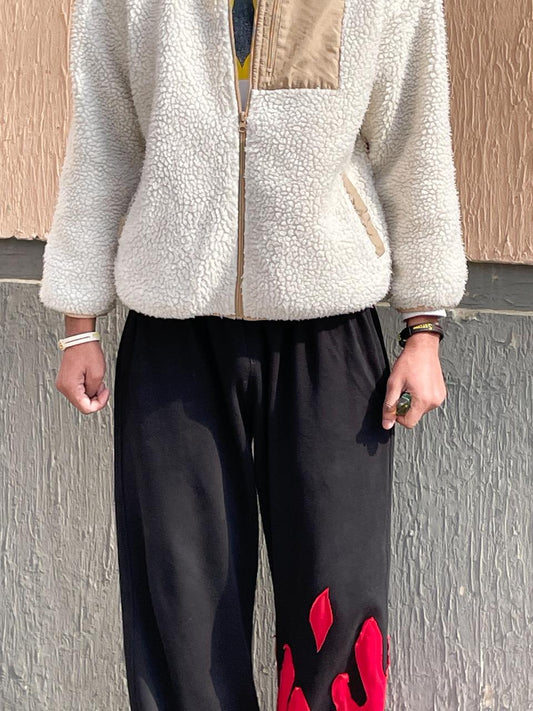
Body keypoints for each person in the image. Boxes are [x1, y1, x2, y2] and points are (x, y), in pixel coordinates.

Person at [40, 0, 468, 708]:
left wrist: (424, 324)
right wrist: (77, 321)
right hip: (173, 331)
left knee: (336, 607)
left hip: (328, 332)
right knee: (183, 609)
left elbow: (412, 139)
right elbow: (102, 140)